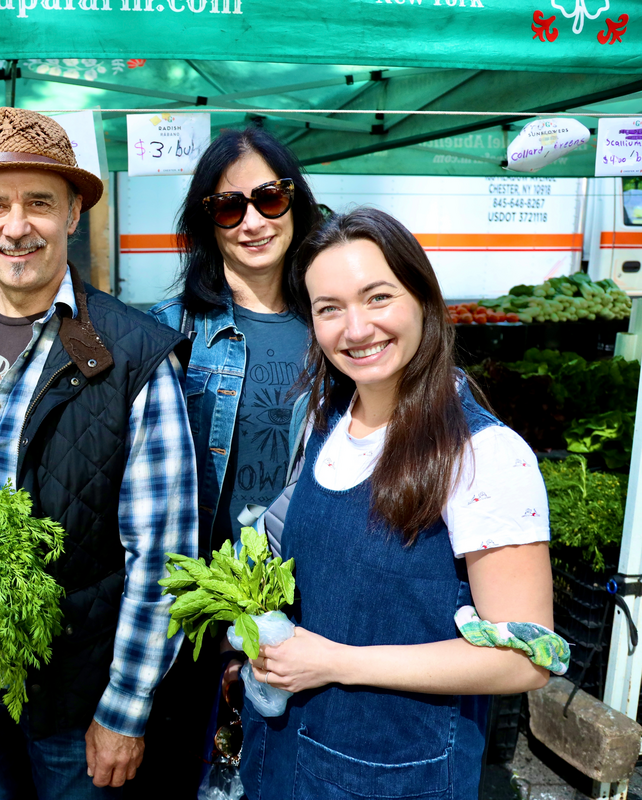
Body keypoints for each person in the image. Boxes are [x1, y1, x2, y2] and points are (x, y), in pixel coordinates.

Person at [239, 207, 558, 799]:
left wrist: (336, 662)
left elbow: (525, 658)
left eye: (377, 297)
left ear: (422, 298)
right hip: (285, 760)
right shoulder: (325, 419)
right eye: (329, 308)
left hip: (393, 773)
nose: (355, 329)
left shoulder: (484, 455)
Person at [0, 106, 198, 800]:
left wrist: (125, 711)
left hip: (75, 697)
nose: (16, 226)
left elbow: (163, 557)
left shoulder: (131, 353)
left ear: (74, 213)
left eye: (39, 203)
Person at [145, 127, 323, 793]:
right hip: (192, 616)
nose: (251, 220)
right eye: (228, 207)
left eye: (269, 199)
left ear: (296, 203)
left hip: (306, 612)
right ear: (207, 222)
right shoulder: (167, 332)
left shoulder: (338, 328)